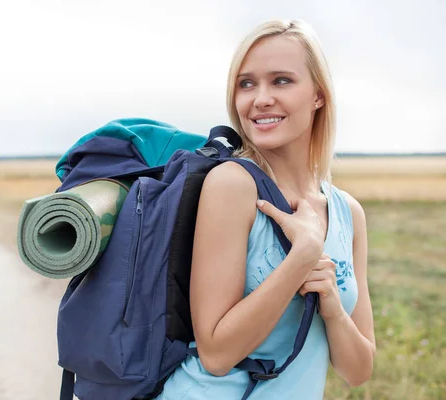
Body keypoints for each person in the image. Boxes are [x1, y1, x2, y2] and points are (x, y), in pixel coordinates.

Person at [154, 19, 376, 399]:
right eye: (246, 83)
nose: (260, 99)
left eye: (282, 80)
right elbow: (216, 354)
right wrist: (300, 261)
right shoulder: (233, 185)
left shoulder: (347, 213)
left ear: (318, 95)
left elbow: (358, 371)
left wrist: (334, 309)